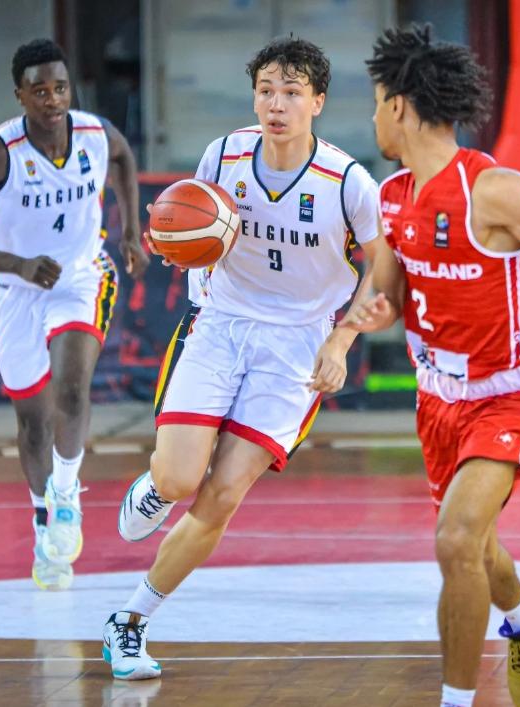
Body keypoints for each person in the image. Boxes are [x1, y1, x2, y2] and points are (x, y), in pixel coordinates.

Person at [348, 24, 520, 707]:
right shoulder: (392, 195)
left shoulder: (491, 189)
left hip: (506, 396)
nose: (374, 116)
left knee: (456, 537)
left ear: (401, 108)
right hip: (436, 401)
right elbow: (382, 292)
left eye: (378, 102)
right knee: (476, 548)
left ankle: (456, 700)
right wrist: (367, 314)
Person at [101, 37, 390, 681]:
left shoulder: (348, 182)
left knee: (222, 495)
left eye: (291, 93)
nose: (276, 105)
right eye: (265, 91)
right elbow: (191, 225)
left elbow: (385, 272)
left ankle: (130, 621)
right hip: (222, 324)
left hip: (296, 347)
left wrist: (341, 341)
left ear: (317, 101)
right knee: (179, 481)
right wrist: (176, 242)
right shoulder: (224, 154)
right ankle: (155, 486)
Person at [0, 39, 148, 591]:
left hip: (80, 276)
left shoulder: (95, 135)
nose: (52, 99)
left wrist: (129, 230)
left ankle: (67, 496)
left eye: (60, 87)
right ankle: (41, 519)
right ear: (20, 96)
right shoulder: (0, 153)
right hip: (16, 289)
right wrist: (18, 265)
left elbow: (124, 158)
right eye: (39, 90)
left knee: (72, 387)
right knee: (32, 421)